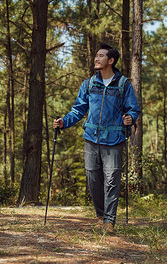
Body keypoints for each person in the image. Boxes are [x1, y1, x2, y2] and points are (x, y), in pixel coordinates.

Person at [53, 43, 141, 233]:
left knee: (112, 180)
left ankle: (109, 221)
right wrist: (63, 122)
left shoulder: (123, 84)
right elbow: (78, 109)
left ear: (110, 60)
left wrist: (130, 118)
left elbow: (133, 108)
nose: (96, 58)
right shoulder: (89, 83)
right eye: (96, 55)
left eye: (101, 56)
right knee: (93, 178)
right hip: (91, 138)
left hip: (114, 139)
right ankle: (100, 216)